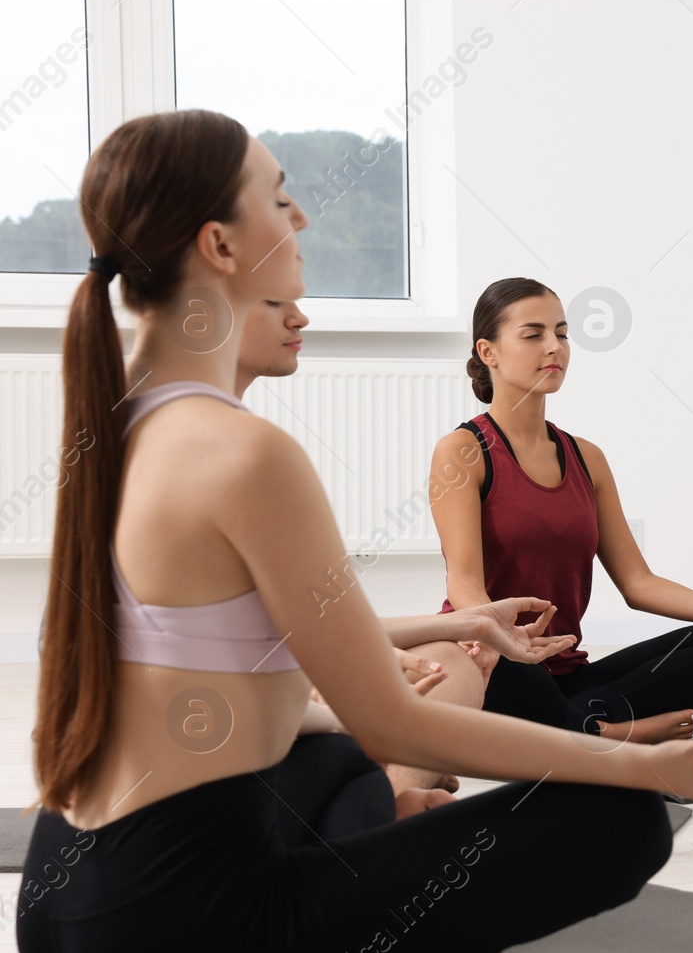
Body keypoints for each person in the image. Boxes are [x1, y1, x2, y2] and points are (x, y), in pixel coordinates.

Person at [19, 109, 693, 953]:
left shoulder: (115, 422)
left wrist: (458, 632)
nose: (300, 216)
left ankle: (401, 902)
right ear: (221, 245)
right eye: (278, 196)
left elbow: (258, 656)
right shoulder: (241, 452)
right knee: (615, 825)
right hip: (178, 937)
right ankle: (415, 941)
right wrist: (654, 771)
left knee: (339, 757)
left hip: (57, 904)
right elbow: (400, 720)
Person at [429, 277, 693, 744]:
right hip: (497, 667)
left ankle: (586, 728)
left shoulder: (585, 457)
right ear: (488, 351)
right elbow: (464, 580)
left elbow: (639, 584)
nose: (554, 347)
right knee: (512, 669)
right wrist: (501, 637)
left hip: (565, 677)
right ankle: (602, 731)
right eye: (533, 335)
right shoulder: (463, 450)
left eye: (562, 333)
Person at [232, 297, 574, 799]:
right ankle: (392, 802)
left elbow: (295, 628)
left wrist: (471, 626)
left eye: (561, 333)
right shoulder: (230, 454)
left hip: (274, 692)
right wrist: (319, 700)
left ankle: (402, 786)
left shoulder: (254, 447)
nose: (302, 316)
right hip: (224, 737)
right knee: (623, 824)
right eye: (275, 299)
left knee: (445, 662)